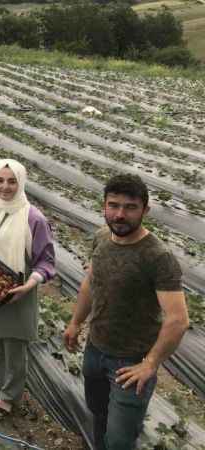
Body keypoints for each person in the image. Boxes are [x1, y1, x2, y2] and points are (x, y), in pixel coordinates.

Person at [63, 174, 189, 450]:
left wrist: (150, 363)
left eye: (130, 207)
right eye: (113, 205)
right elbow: (90, 283)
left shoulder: (157, 257)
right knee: (98, 414)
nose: (120, 214)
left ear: (145, 210)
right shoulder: (100, 238)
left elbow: (178, 319)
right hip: (95, 350)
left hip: (130, 364)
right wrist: (75, 323)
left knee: (120, 440)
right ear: (104, 206)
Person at [0, 159, 56, 418]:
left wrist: (28, 285)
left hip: (19, 293)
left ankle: (10, 395)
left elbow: (46, 262)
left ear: (21, 183)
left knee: (15, 348)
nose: (5, 187)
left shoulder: (34, 219)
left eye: (12, 181)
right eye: (0, 180)